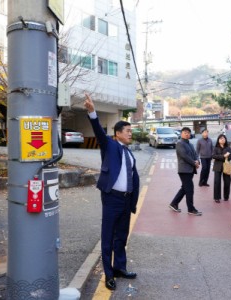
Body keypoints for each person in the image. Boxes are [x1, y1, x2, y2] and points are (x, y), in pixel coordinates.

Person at [84, 93, 139, 291]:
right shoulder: (109, 146)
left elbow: (132, 176)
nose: (130, 133)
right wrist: (92, 113)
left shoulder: (130, 152)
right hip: (111, 198)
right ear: (117, 133)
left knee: (121, 236)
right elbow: (98, 131)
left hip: (125, 200)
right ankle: (108, 274)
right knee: (107, 237)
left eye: (131, 131)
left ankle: (119, 268)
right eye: (127, 131)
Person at [169, 127, 202, 215]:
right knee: (190, 189)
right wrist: (194, 163)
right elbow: (184, 156)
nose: (187, 134)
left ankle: (174, 203)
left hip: (190, 169)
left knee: (184, 188)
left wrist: (197, 161)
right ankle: (191, 209)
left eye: (188, 133)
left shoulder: (190, 144)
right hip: (184, 170)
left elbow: (195, 154)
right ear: (181, 134)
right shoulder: (180, 143)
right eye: (185, 132)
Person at [212, 134, 231, 203]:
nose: (222, 139)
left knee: (227, 182)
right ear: (218, 140)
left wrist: (227, 157)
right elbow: (213, 156)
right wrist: (223, 156)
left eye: (223, 138)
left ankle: (226, 196)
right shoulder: (215, 148)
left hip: (226, 166)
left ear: (225, 140)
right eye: (220, 138)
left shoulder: (228, 148)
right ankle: (217, 197)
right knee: (217, 182)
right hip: (217, 166)